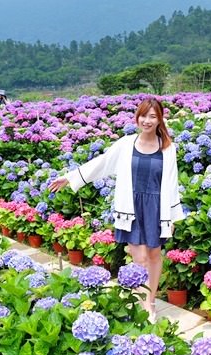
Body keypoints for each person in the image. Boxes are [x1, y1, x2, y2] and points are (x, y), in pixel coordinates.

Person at [48, 97, 185, 322]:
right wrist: (71, 177)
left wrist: (170, 215)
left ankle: (150, 300)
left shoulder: (168, 148)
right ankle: (144, 307)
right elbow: (102, 163)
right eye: (143, 115)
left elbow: (171, 182)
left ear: (160, 119)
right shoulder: (126, 144)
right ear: (137, 117)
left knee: (154, 254)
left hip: (156, 207)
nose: (147, 120)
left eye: (153, 116)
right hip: (131, 206)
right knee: (139, 256)